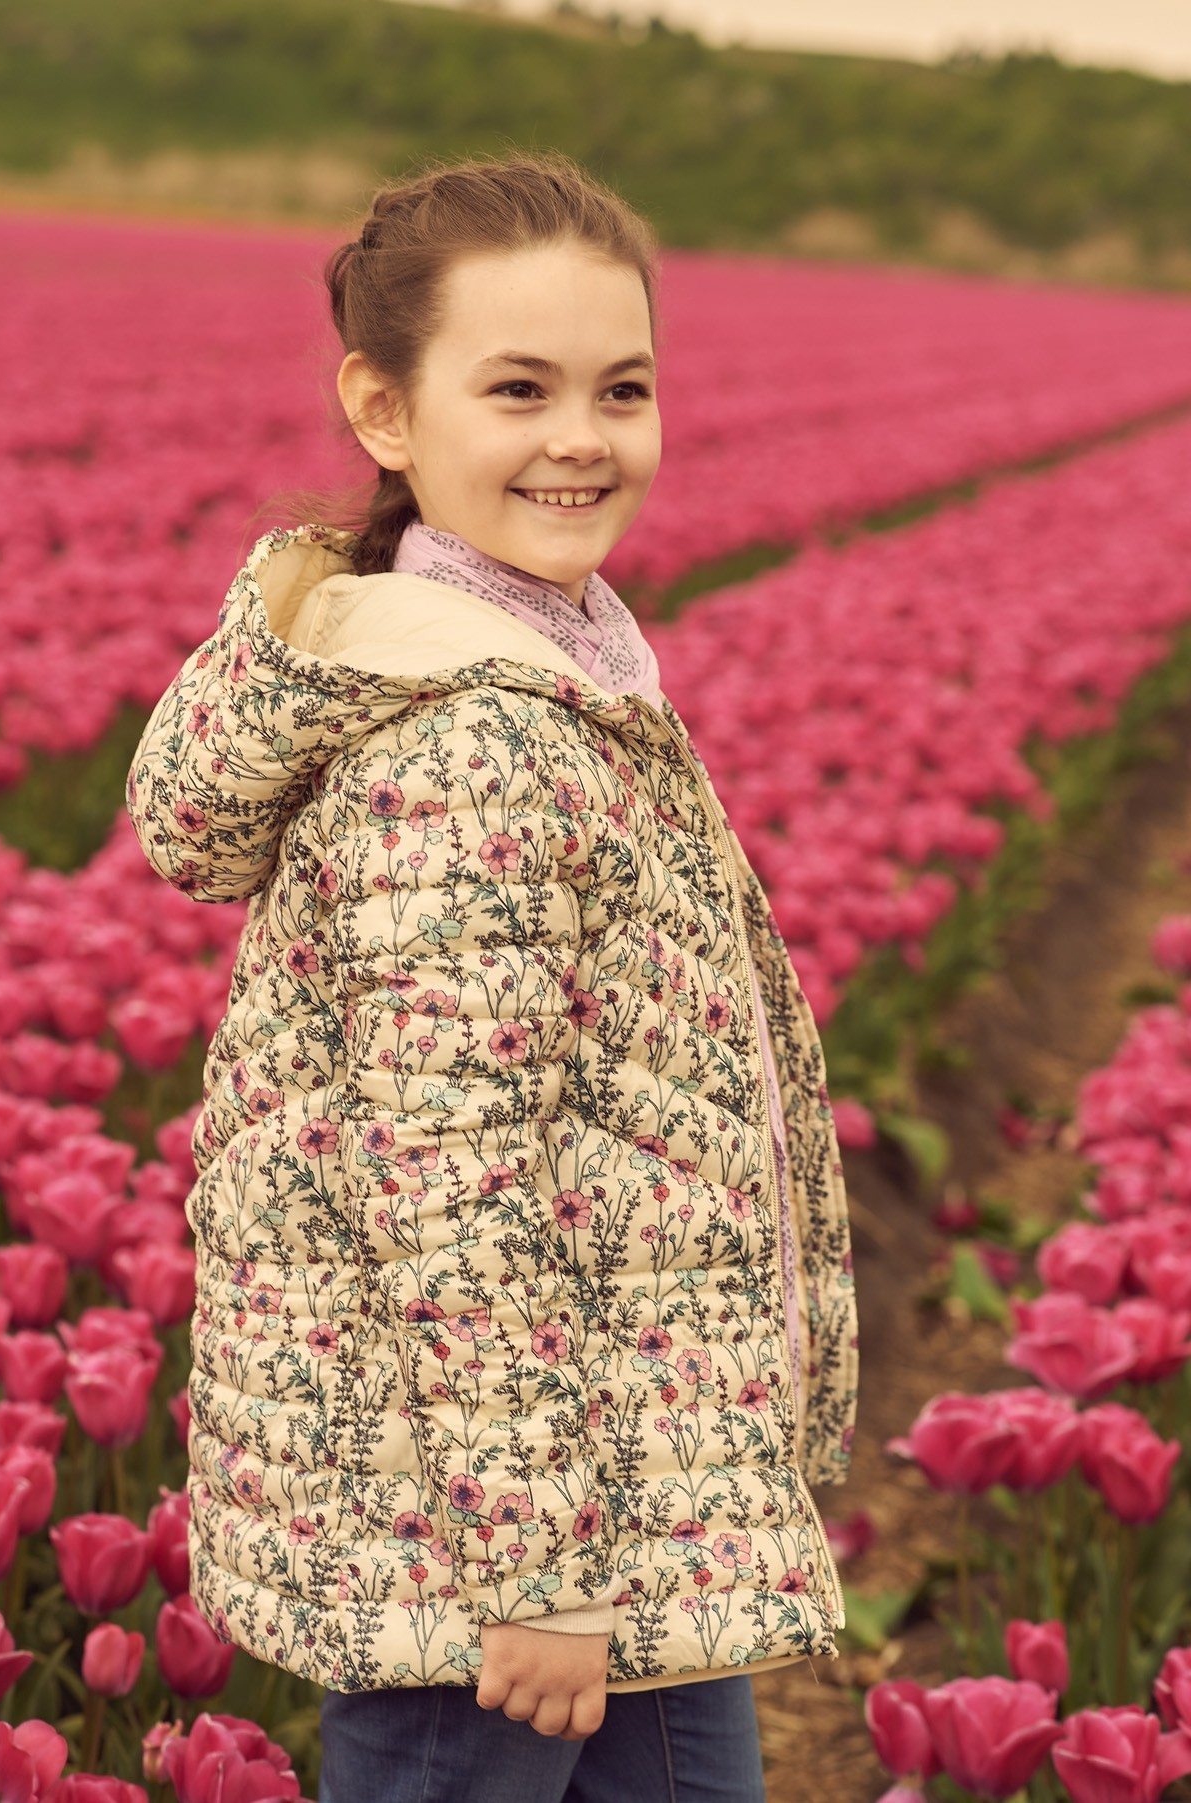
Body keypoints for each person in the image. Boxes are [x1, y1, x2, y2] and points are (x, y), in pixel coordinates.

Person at [125, 149, 858, 1803]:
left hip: (623, 1500)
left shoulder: (571, 675)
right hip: (480, 1558)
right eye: (517, 387)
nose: (582, 436)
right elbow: (452, 1182)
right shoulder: (470, 743)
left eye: (624, 387)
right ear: (384, 411)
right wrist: (539, 1567)